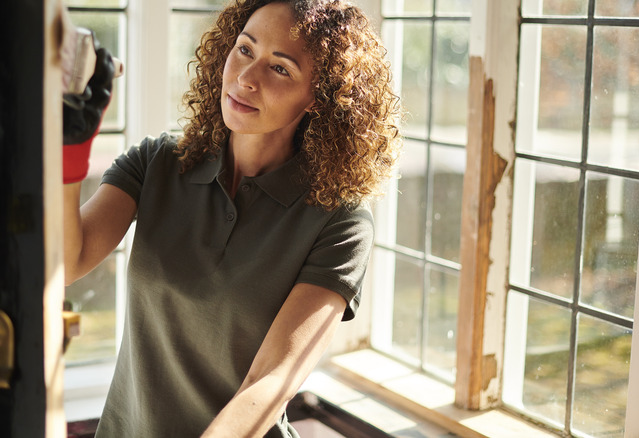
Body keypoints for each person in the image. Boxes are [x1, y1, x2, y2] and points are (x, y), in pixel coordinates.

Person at [62, 0, 401, 436]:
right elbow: (68, 262)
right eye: (245, 50)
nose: (246, 79)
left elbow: (272, 381)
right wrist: (69, 148)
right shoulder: (158, 162)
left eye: (280, 69)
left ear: (319, 95)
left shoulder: (341, 222)